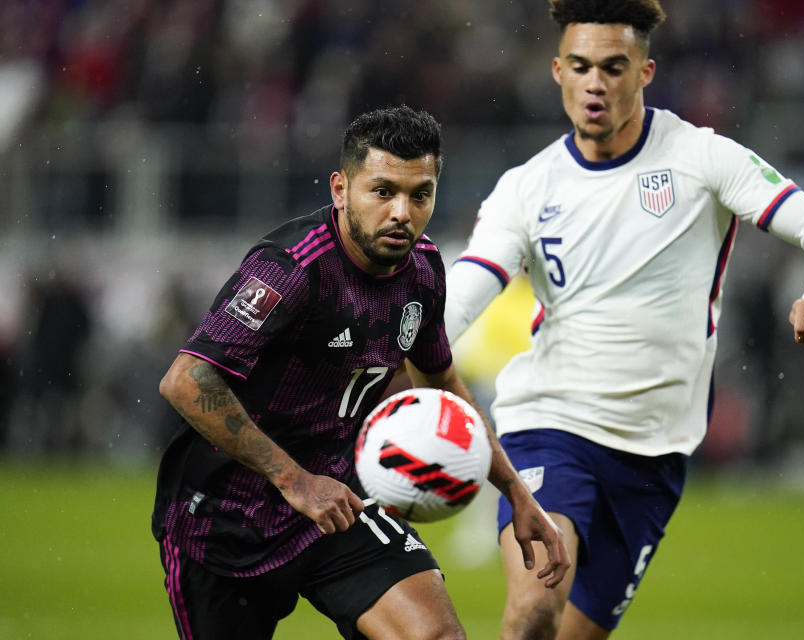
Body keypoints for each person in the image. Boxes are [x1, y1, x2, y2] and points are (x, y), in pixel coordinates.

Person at [443, 2, 804, 639]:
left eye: (614, 67)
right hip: (549, 424)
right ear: (557, 71)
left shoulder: (701, 158)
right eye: (580, 67)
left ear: (645, 72)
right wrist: (403, 347)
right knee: (532, 615)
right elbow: (470, 287)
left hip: (654, 454)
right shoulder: (524, 188)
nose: (595, 84)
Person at [151, 105, 569, 640]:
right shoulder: (290, 268)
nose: (402, 212)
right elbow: (186, 381)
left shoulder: (422, 270)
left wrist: (516, 493)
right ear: (340, 189)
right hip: (225, 519)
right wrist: (294, 480)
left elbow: (441, 383)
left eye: (420, 194)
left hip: (341, 504)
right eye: (382, 191)